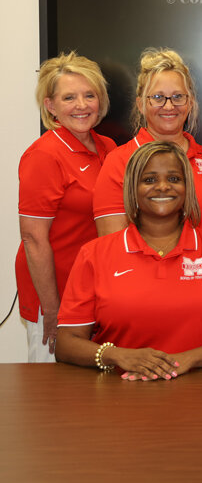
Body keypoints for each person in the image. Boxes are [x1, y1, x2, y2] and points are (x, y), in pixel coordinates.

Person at [56, 141, 202, 379]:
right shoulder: (94, 254)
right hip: (122, 392)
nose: (163, 187)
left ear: (187, 188)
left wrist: (186, 360)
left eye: (174, 179)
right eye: (149, 180)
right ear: (133, 188)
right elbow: (66, 343)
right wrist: (118, 355)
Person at [16, 52, 117, 363]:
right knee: (52, 391)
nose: (82, 105)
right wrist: (52, 309)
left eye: (90, 95)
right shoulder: (44, 155)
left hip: (94, 288)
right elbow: (33, 239)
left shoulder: (108, 148)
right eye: (69, 97)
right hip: (55, 291)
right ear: (51, 106)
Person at [93, 48, 202, 253]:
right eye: (157, 97)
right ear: (140, 104)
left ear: (190, 103)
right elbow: (112, 245)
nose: (169, 106)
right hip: (145, 283)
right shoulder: (119, 162)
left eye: (177, 96)